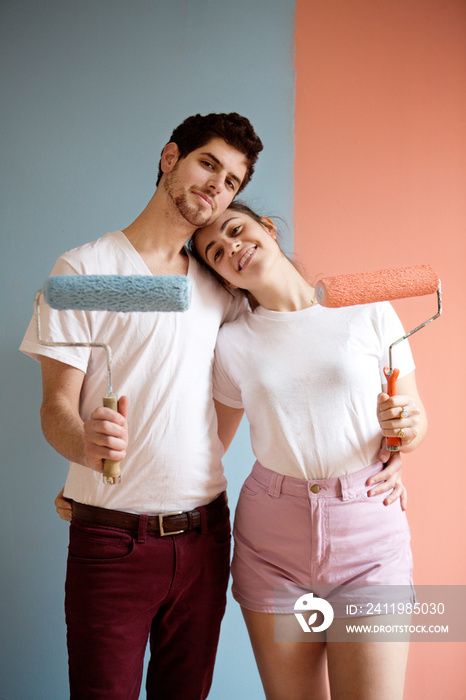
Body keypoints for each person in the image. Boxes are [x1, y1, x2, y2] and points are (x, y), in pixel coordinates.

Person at [20, 112, 264, 700]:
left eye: (232, 181)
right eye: (209, 163)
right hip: (112, 544)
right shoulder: (83, 270)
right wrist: (84, 446)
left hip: (206, 537)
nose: (217, 185)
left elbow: (240, 388)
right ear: (169, 157)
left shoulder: (218, 285)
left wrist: (181, 459)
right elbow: (56, 407)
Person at [189, 201, 427, 700]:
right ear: (222, 277)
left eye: (237, 229)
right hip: (271, 545)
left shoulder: (369, 309)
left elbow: (414, 417)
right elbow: (207, 446)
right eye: (215, 251)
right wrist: (120, 488)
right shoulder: (231, 344)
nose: (232, 246)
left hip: (368, 536)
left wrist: (406, 430)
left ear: (268, 229)